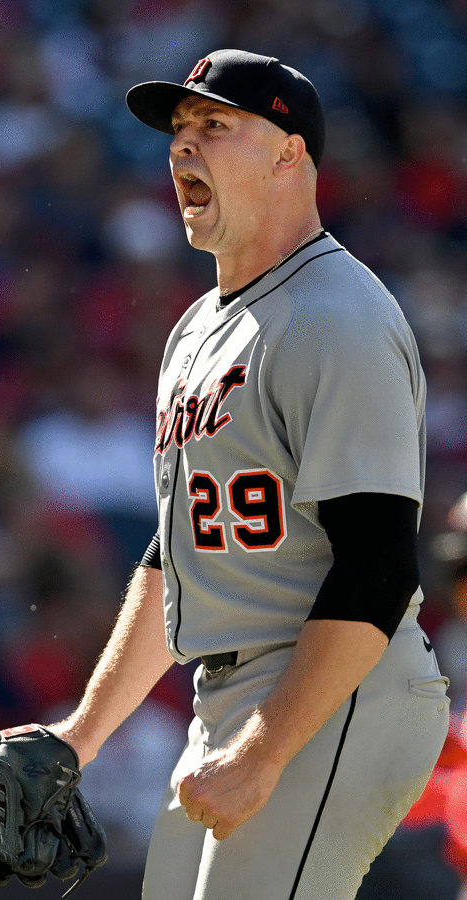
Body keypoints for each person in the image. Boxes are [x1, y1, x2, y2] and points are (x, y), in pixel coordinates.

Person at [27, 49, 450, 899]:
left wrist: (263, 751)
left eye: (215, 125)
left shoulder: (338, 317)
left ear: (290, 154)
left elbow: (378, 568)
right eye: (179, 130)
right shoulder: (196, 330)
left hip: (332, 693)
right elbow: (179, 558)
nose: (183, 146)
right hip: (232, 695)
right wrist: (82, 734)